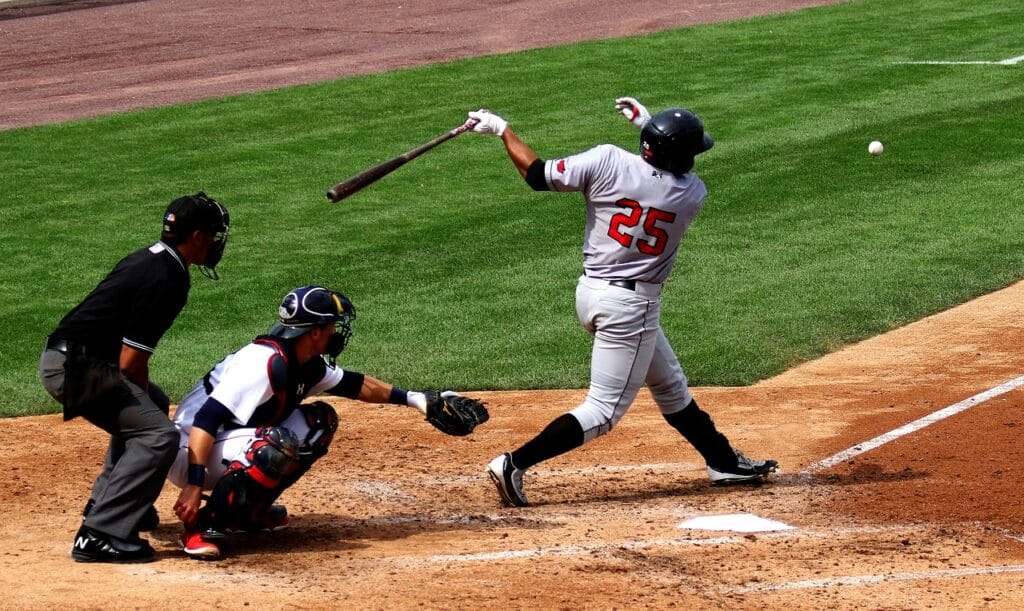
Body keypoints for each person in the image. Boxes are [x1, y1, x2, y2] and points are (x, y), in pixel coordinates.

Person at [468, 99, 778, 507]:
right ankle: (514, 463)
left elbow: (538, 174)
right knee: (603, 411)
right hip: (631, 309)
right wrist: (649, 126)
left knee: (669, 385)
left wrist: (503, 130)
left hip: (592, 293)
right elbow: (662, 171)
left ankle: (723, 462)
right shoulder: (690, 195)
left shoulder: (605, 161)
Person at [168, 284, 487, 560]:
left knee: (320, 421)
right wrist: (194, 485)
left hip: (222, 444)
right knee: (275, 443)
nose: (337, 332)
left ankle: (250, 513)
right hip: (189, 450)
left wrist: (417, 400)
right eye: (333, 325)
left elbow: (356, 385)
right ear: (315, 332)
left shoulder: (304, 362)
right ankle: (201, 525)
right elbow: (206, 420)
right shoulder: (263, 363)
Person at [38, 192, 231, 561]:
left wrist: (142, 402)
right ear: (196, 237)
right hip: (77, 368)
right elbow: (130, 362)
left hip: (72, 359)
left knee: (152, 405)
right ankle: (98, 534)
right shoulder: (169, 277)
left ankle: (113, 502)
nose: (216, 242)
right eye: (213, 234)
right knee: (157, 435)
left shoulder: (152, 257)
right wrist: (140, 403)